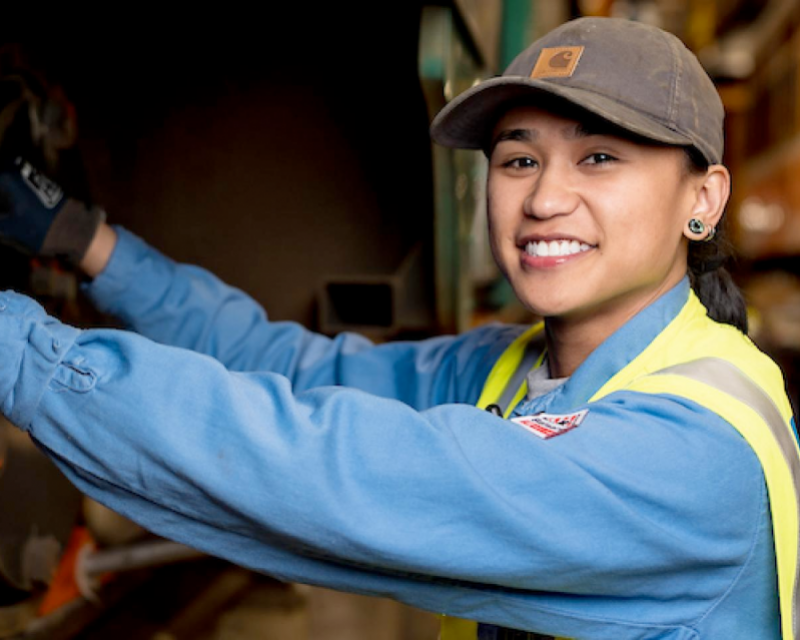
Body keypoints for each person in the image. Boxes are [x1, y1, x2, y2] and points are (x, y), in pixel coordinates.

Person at [0, 17, 796, 640]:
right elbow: (290, 370)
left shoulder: (692, 450)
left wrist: (20, 352)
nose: (546, 198)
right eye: (519, 160)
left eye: (599, 158)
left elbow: (327, 470)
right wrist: (85, 242)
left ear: (705, 198)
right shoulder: (515, 371)